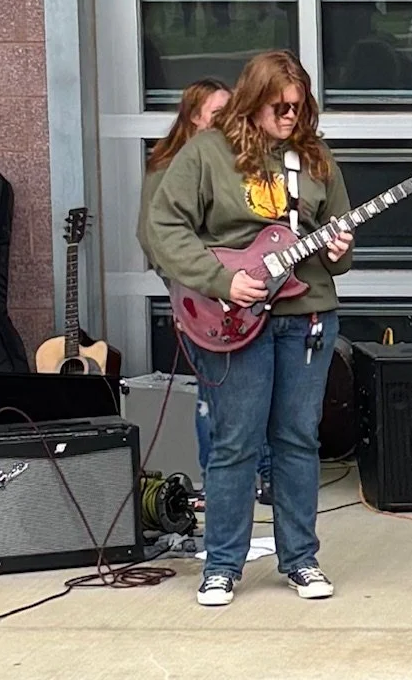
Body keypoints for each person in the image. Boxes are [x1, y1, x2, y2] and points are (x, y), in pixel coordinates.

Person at [145, 51, 354, 606]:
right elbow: (163, 225)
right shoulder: (207, 153)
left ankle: (301, 559)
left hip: (307, 315)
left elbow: (338, 250)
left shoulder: (315, 158)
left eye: (298, 106)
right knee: (235, 442)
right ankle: (222, 565)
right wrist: (220, 280)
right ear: (252, 101)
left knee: (298, 439)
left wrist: (339, 249)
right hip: (234, 316)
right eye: (278, 107)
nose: (290, 116)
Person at [137, 78, 273, 499]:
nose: (228, 121)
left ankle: (263, 473)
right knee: (213, 397)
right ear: (194, 117)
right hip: (200, 301)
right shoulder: (169, 167)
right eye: (218, 114)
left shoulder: (235, 160)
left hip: (243, 296)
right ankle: (216, 484)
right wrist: (185, 291)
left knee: (251, 393)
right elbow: (154, 237)